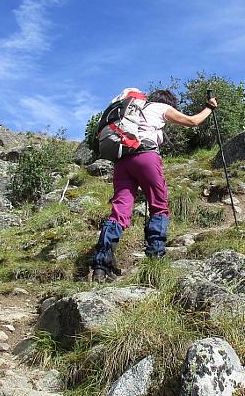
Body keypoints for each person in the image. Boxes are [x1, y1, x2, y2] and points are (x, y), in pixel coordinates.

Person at [91, 89, 219, 283]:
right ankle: (155, 258)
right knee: (159, 206)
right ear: (169, 102)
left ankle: (101, 266)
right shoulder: (161, 107)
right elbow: (193, 121)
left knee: (119, 213)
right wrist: (209, 107)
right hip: (146, 157)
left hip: (121, 160)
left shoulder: (131, 109)